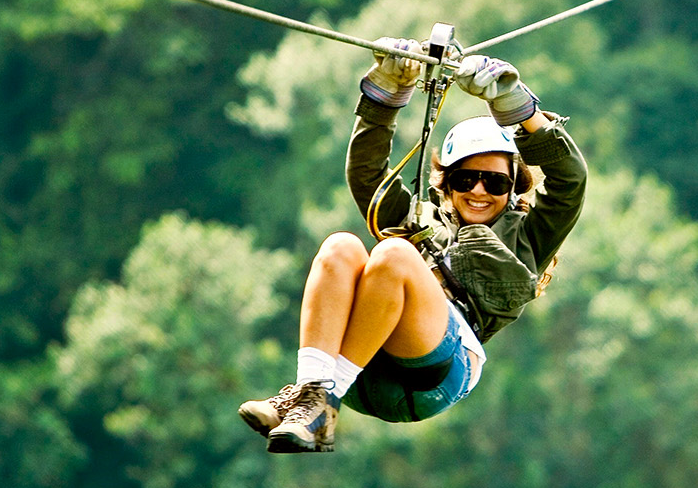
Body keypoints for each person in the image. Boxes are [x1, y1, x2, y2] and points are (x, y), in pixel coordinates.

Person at [238, 39, 587, 453]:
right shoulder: (419, 220)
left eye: (494, 182)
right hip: (364, 366)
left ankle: (320, 402)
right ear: (446, 185)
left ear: (512, 188)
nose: (479, 191)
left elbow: (570, 180)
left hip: (436, 374)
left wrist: (518, 107)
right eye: (465, 179)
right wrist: (386, 92)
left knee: (394, 253)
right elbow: (367, 175)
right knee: (340, 246)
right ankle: (310, 395)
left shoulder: (530, 235)